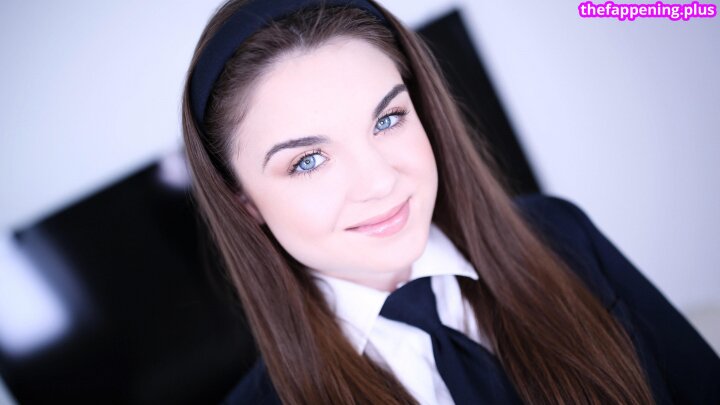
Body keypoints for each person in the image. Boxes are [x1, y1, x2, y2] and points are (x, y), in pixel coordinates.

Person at [181, 0, 720, 403]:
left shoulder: (560, 236)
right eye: (308, 161)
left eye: (388, 119)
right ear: (244, 202)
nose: (379, 182)